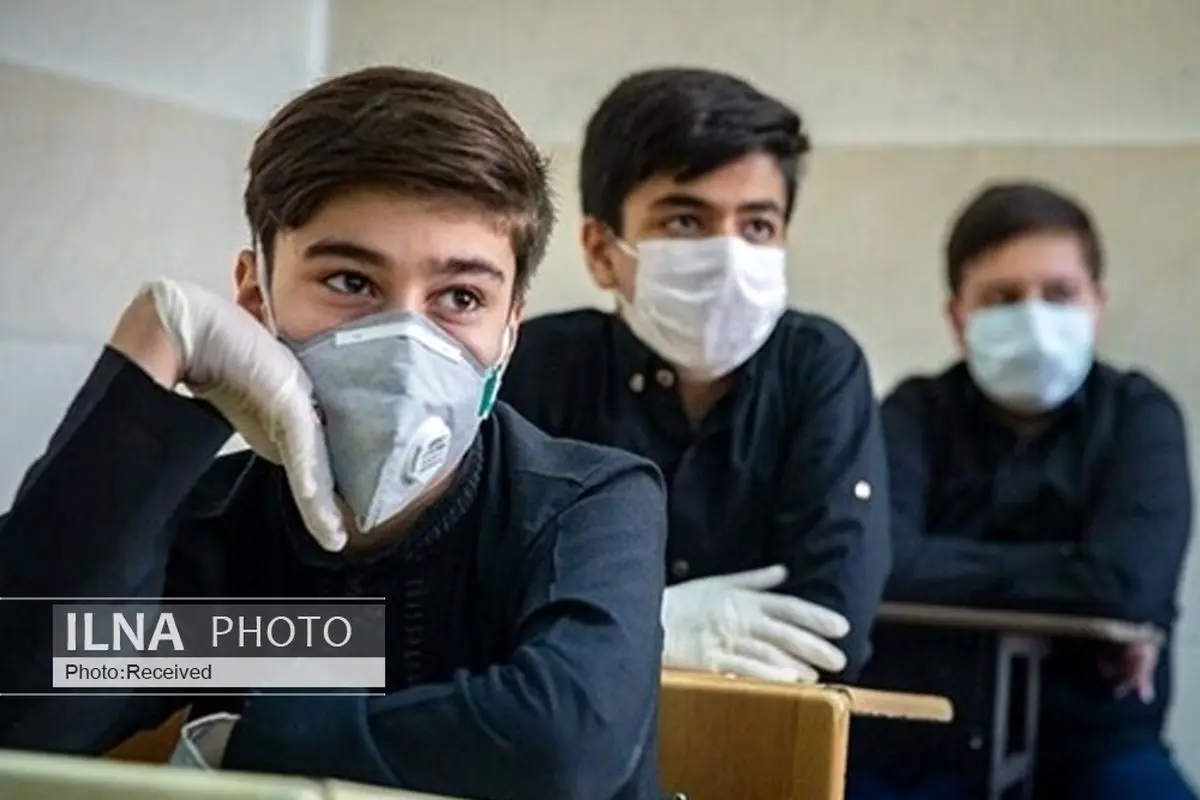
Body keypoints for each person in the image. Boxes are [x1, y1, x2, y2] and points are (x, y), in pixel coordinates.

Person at [0, 66, 669, 800]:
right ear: (255, 295)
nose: (407, 341)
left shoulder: (588, 503)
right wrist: (151, 353)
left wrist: (251, 739)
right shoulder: (221, 528)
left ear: (511, 327)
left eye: (460, 297)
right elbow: (31, 709)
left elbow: (564, 745)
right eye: (351, 282)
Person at [499, 67, 890, 684]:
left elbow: (832, 630)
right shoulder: (533, 366)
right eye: (685, 221)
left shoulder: (820, 367)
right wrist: (647, 624)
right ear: (603, 252)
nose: (729, 257)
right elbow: (464, 609)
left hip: (765, 740)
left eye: (758, 226)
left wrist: (583, 628)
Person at [847, 181, 1196, 799]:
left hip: (1095, 744)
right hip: (920, 745)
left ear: (1098, 305)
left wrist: (945, 570)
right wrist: (1071, 573)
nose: (1033, 317)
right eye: (1003, 298)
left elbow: (1127, 585)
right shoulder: (912, 413)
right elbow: (877, 561)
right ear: (958, 316)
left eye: (1059, 294)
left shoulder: (1141, 415)